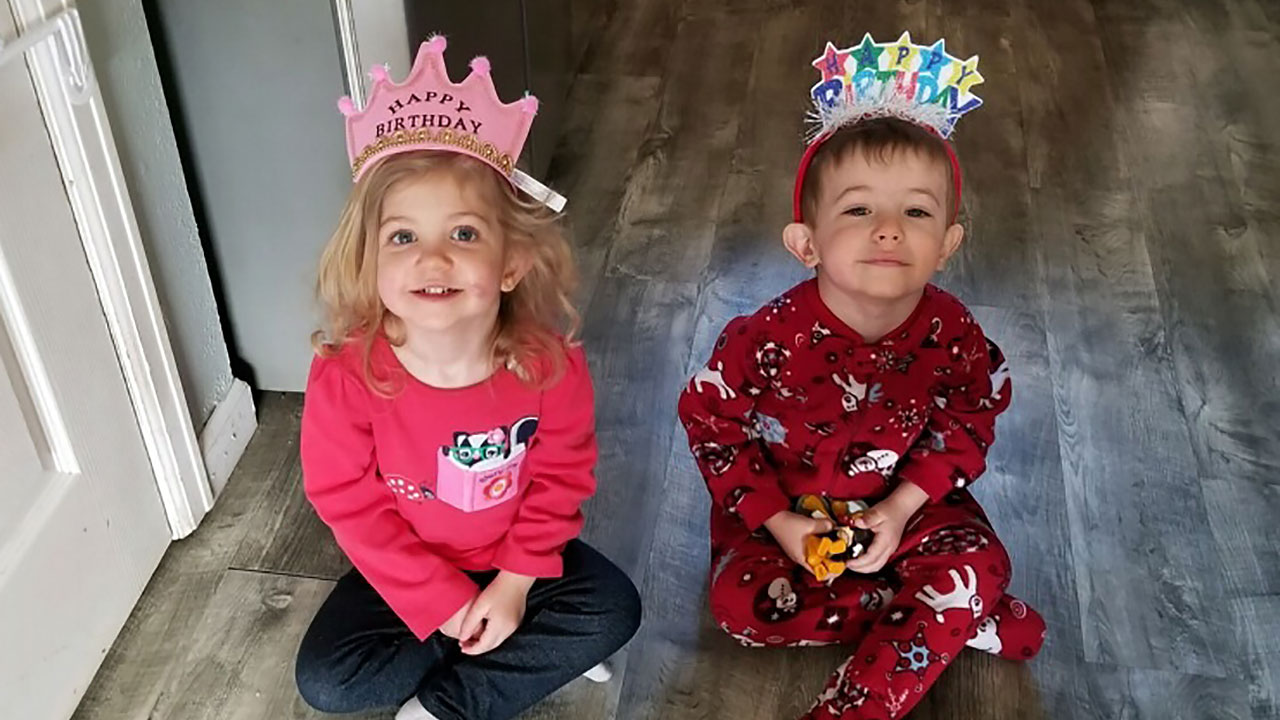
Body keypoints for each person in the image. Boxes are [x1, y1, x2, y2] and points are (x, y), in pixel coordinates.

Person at [677, 34, 1044, 719]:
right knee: (739, 609)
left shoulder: (954, 332)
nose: (887, 230)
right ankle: (943, 616)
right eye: (857, 209)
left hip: (912, 510)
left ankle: (872, 687)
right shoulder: (765, 337)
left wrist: (902, 509)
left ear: (947, 244)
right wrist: (779, 522)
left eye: (916, 211)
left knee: (984, 562)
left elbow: (969, 419)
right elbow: (710, 423)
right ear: (805, 242)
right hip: (786, 521)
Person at [293, 37, 640, 720]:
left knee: (613, 610)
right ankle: (514, 647)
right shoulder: (347, 374)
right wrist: (443, 604)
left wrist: (511, 586)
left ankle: (452, 701)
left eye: (463, 235)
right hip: (408, 568)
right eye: (402, 238)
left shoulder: (549, 364)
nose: (432, 259)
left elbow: (561, 478)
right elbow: (347, 502)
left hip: (521, 559)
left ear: (510, 264)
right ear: (369, 264)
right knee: (328, 682)